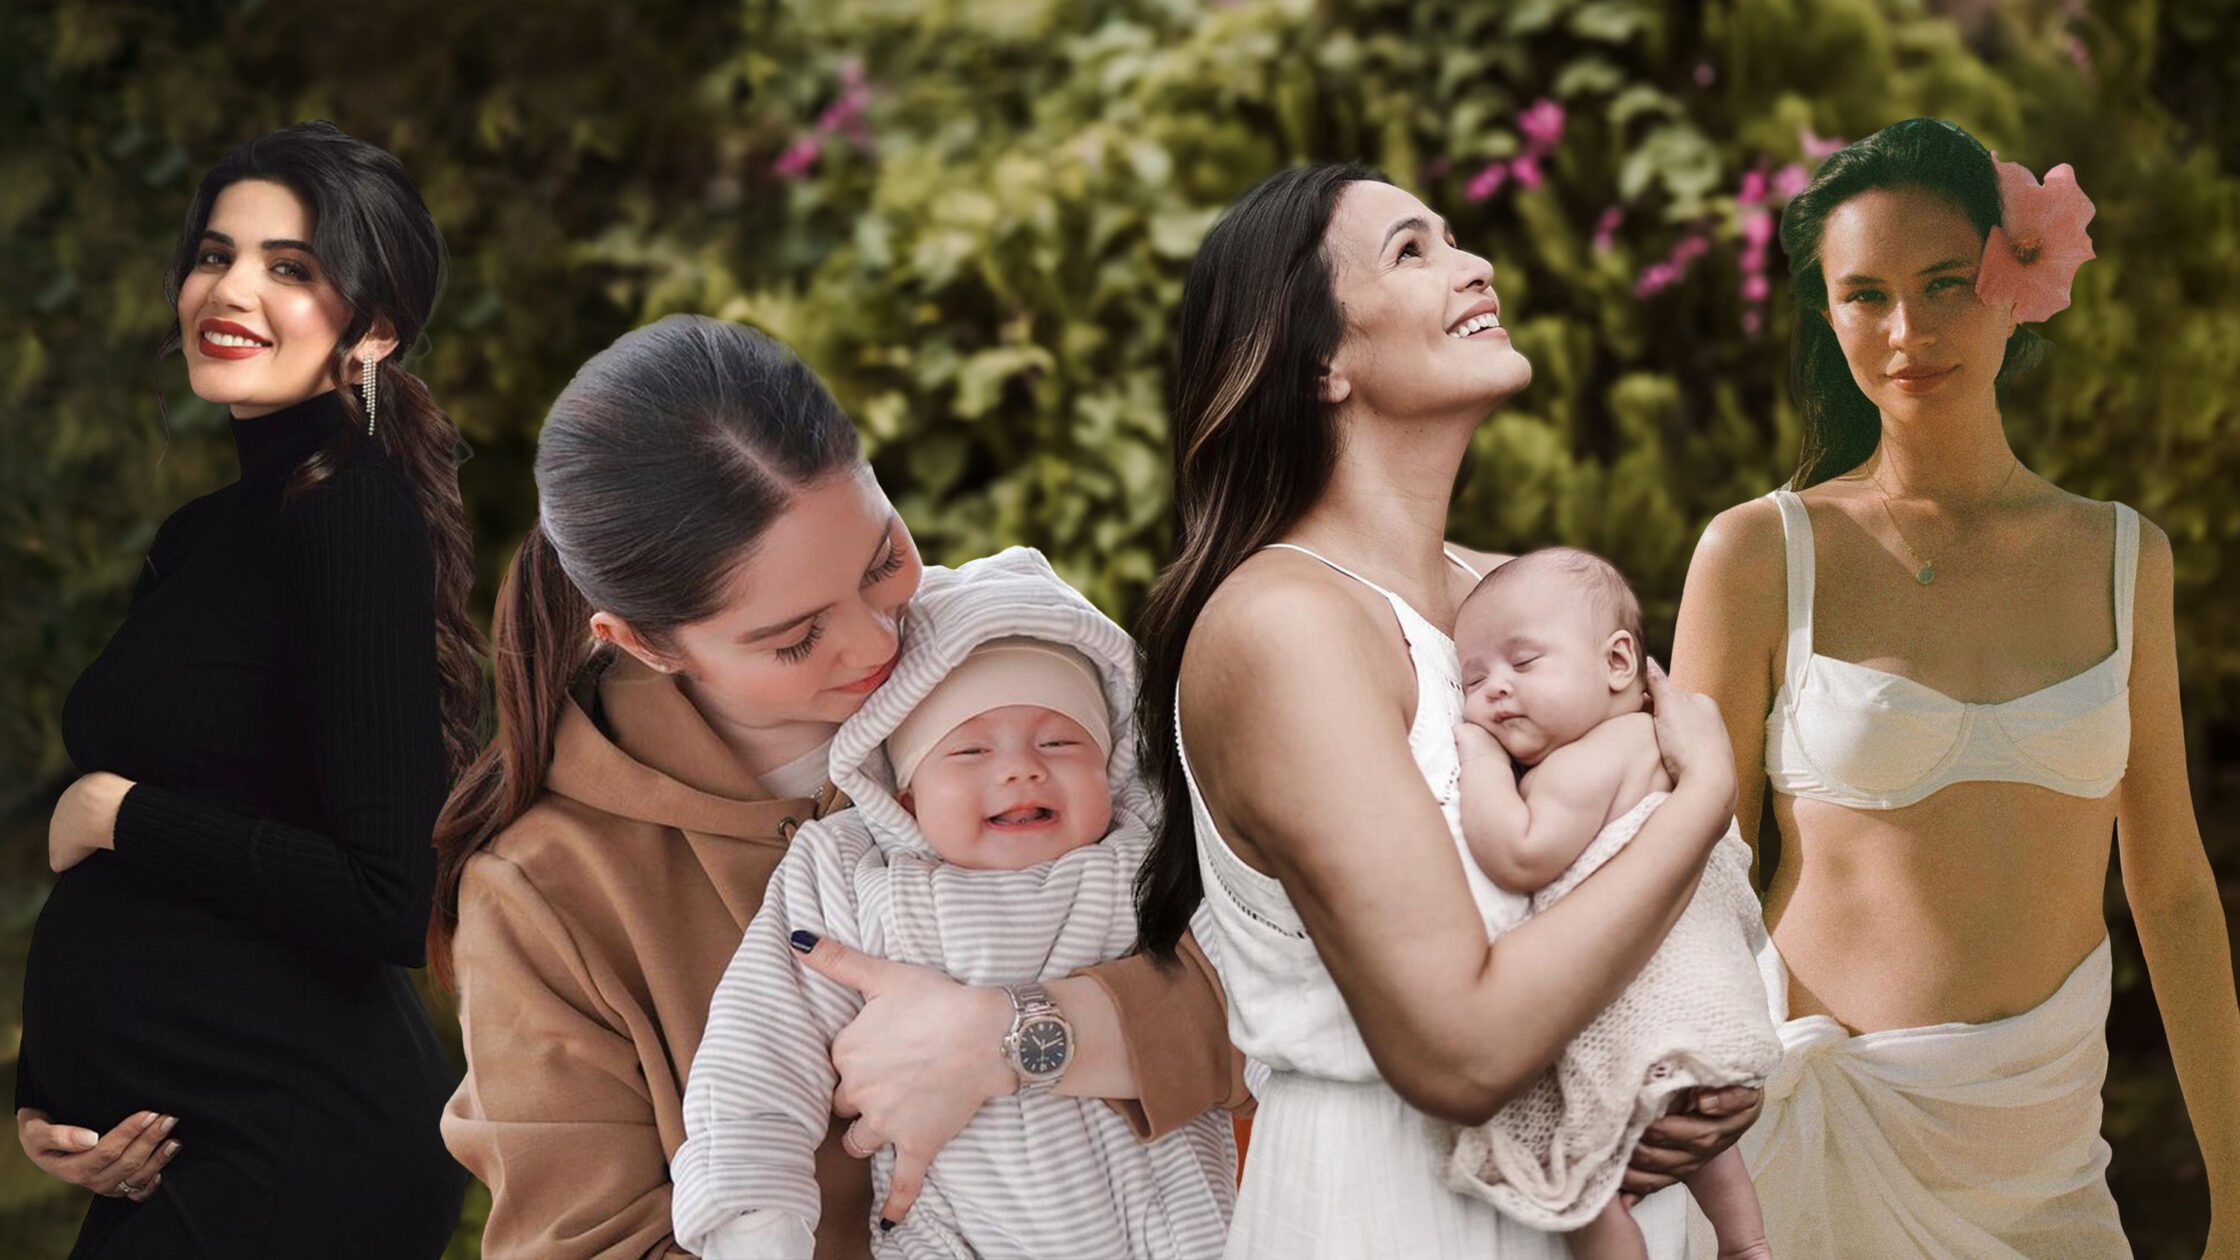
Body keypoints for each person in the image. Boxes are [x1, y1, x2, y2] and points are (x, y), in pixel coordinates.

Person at [432, 314, 1246, 1259]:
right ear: (643, 643)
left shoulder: (1032, 672)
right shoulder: (544, 897)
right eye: (795, 639)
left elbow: (1307, 982)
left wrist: (1020, 1038)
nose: (876, 644)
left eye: (883, 562)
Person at [1130, 162, 1761, 1260]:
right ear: (1319, 359)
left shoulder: (1514, 602)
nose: (1476, 267)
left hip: (1612, 1191)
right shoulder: (1284, 626)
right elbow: (1457, 1053)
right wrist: (1704, 797)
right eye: (1411, 252)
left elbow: (1673, 890)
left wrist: (1712, 1058)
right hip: (1397, 1214)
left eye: (1454, 239)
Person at [1672, 116, 2240, 1257]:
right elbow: (1688, 879)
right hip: (1810, 1146)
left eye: (1943, 283)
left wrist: (2235, 1191)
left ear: (2016, 282)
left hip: (2040, 1158)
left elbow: (2173, 891)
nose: (1906, 331)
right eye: (1863, 295)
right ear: (1827, 313)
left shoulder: (2121, 557)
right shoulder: (1757, 554)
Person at [16, 121, 479, 1258]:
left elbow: (388, 895)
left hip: (302, 1146)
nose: (229, 291)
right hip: (191, 1144)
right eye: (215, 255)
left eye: (291, 267)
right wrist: (53, 1105)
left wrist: (119, 815)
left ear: (373, 330)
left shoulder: (351, 517)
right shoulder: (206, 534)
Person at [672, 547, 1234, 1257]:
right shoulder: (851, 872)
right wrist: (756, 1217)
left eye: (1061, 741)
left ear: (1110, 765)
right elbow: (760, 1040)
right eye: (970, 752)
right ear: (905, 793)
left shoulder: (1146, 850)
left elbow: (1260, 982)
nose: (1022, 768)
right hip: (948, 1234)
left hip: (1183, 1232)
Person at [1443, 549, 1775, 1260]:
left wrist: (1481, 759)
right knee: (1695, 1132)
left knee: (1582, 1185)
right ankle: (1745, 1240)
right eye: (1473, 679)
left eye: (1523, 664)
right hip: (1703, 1012)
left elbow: (1520, 852)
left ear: (1619, 662)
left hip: (1640, 1011)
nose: (1495, 689)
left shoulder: (1588, 759)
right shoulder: (1661, 741)